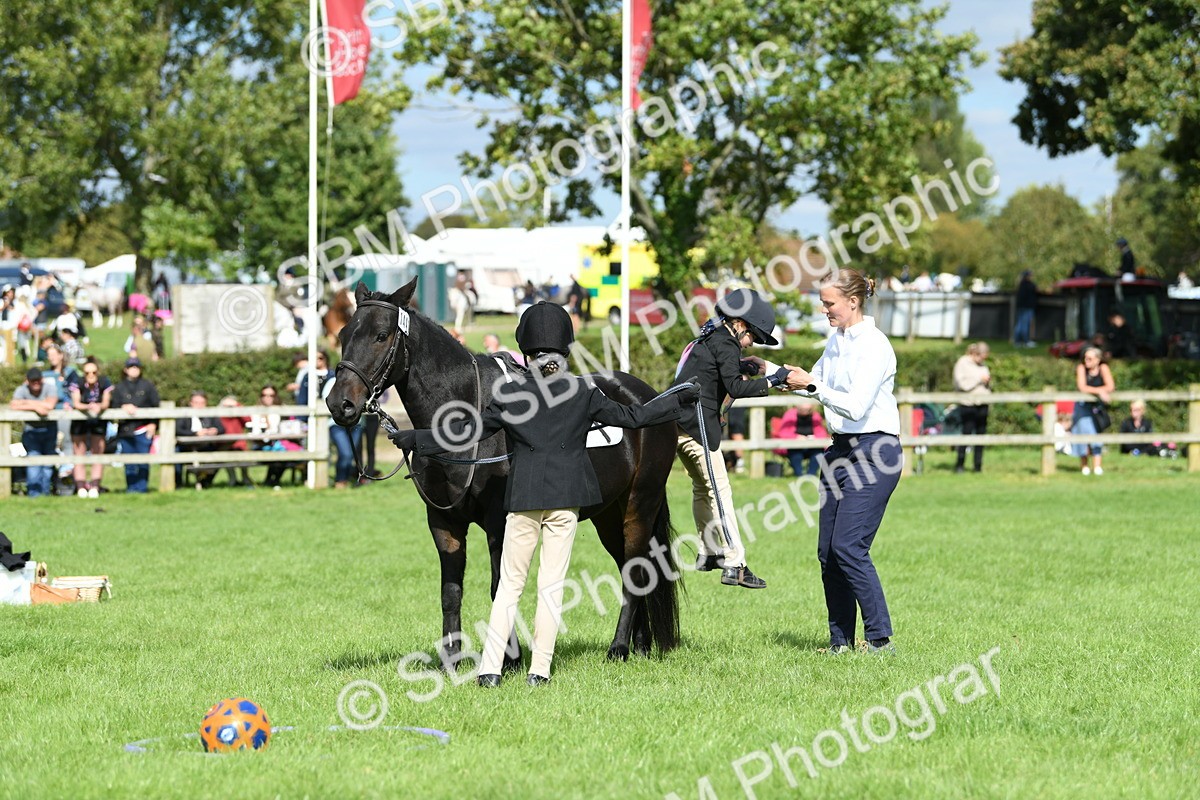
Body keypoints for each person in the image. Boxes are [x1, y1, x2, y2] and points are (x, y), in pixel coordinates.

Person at [389, 302, 695, 687]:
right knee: (551, 587)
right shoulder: (584, 393)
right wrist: (676, 398)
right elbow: (635, 419)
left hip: (522, 502)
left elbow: (465, 433)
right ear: (566, 349)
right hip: (566, 503)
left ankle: (489, 670)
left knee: (509, 586)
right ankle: (539, 671)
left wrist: (414, 438)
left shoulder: (511, 397)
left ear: (525, 351)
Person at [787, 269, 903, 655]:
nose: (824, 310)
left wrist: (813, 385)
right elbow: (812, 384)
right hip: (839, 450)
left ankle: (880, 640)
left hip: (876, 451)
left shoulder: (874, 345)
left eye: (829, 303)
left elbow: (853, 404)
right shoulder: (835, 341)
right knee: (828, 552)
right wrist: (770, 373)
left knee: (849, 547)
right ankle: (839, 643)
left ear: (853, 301)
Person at [670, 288, 807, 589]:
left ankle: (709, 552)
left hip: (677, 425)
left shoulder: (707, 337)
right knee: (721, 492)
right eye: (752, 338)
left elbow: (719, 372)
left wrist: (745, 366)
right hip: (698, 427)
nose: (749, 345)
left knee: (701, 488)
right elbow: (736, 386)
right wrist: (772, 380)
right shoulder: (727, 342)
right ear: (741, 324)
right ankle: (735, 564)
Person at [110, 358, 160, 493]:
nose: (134, 369)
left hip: (144, 428)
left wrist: (153, 424)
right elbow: (112, 405)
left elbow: (156, 405)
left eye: (137, 367)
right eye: (131, 367)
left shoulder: (148, 386)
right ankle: (131, 489)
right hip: (126, 430)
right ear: (126, 369)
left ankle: (142, 488)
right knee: (129, 461)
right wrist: (123, 406)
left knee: (143, 461)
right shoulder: (119, 388)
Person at [11, 368, 58, 497]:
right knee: (33, 461)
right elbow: (14, 405)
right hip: (31, 431)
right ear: (28, 381)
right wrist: (37, 406)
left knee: (48, 463)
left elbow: (50, 405)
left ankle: (46, 492)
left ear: (42, 379)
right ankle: (34, 494)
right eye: (33, 381)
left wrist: (26, 402)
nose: (36, 383)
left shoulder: (50, 387)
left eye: (38, 380)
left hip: (49, 429)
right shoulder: (22, 389)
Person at [69, 359, 112, 498]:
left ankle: (95, 486)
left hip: (97, 420)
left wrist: (99, 407)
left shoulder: (104, 382)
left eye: (94, 372)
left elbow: (106, 402)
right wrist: (89, 407)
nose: (91, 375)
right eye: (87, 372)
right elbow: (76, 403)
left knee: (98, 452)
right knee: (78, 453)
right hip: (80, 420)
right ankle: (81, 486)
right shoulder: (78, 382)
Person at [1071, 346, 1115, 476]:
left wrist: (1102, 391)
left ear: (1098, 359)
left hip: (1097, 408)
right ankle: (1084, 466)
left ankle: (1097, 466)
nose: (1086, 360)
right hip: (1083, 406)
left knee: (1096, 434)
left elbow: (1111, 386)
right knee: (1082, 433)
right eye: (1085, 358)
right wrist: (1100, 391)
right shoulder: (1081, 368)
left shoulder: (1103, 368)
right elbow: (1082, 387)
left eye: (1090, 358)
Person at [952, 342, 991, 473]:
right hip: (968, 403)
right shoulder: (962, 363)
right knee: (966, 433)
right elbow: (962, 384)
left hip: (982, 403)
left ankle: (978, 466)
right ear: (975, 354)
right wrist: (979, 380)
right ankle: (960, 464)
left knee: (981, 435)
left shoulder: (983, 365)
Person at [176, 391, 223, 489]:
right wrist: (195, 433)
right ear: (191, 403)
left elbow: (222, 428)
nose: (199, 406)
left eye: (202, 403)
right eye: (196, 403)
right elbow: (178, 430)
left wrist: (215, 431)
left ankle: (205, 482)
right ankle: (178, 484)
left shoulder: (210, 415)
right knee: (175, 454)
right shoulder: (184, 415)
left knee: (220, 456)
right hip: (186, 447)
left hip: (206, 446)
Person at [771, 401, 827, 477]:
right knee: (795, 452)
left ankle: (810, 475)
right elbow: (783, 433)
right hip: (794, 447)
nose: (805, 411)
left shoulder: (816, 416)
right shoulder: (789, 414)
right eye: (803, 409)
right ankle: (799, 475)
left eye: (807, 409)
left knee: (819, 452)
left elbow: (822, 433)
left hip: (812, 446)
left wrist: (814, 437)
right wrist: (797, 437)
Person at [1013, 270, 1037, 347]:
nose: (1031, 277)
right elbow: (1037, 290)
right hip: (1027, 307)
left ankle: (1017, 342)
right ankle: (1026, 341)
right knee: (1025, 325)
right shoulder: (1030, 285)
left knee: (1019, 324)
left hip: (1021, 307)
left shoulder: (1020, 284)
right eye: (1030, 275)